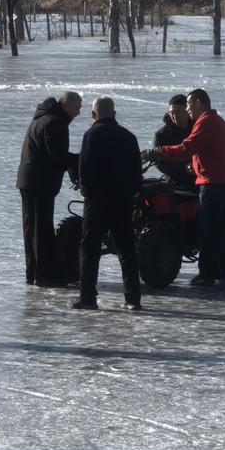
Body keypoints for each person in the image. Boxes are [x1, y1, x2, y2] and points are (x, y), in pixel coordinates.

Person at [151, 88, 225, 288]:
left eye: (190, 104)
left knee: (212, 228)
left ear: (200, 103)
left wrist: (159, 152)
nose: (188, 108)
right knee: (205, 228)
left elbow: (187, 148)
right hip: (215, 180)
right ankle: (207, 273)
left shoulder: (206, 123)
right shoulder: (215, 121)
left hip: (213, 182)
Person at [153, 93, 225, 232]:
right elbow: (160, 163)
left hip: (203, 174)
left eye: (179, 112)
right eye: (171, 113)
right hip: (178, 177)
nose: (175, 116)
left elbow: (188, 148)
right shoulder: (162, 134)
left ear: (187, 110)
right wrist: (184, 169)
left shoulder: (198, 125)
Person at [72, 96, 143, 311]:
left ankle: (88, 297)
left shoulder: (91, 135)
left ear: (93, 114)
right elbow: (136, 172)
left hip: (97, 201)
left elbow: (84, 169)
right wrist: (130, 194)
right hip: (122, 200)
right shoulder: (129, 137)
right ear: (114, 113)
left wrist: (86, 192)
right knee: (126, 249)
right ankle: (133, 299)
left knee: (90, 248)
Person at [16, 91, 82, 286]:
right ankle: (45, 275)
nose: (78, 113)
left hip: (30, 180)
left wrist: (73, 171)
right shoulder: (55, 122)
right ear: (66, 106)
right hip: (40, 182)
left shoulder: (42, 118)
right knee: (41, 229)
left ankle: (33, 272)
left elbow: (56, 155)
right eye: (77, 108)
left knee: (32, 227)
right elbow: (58, 156)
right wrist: (82, 160)